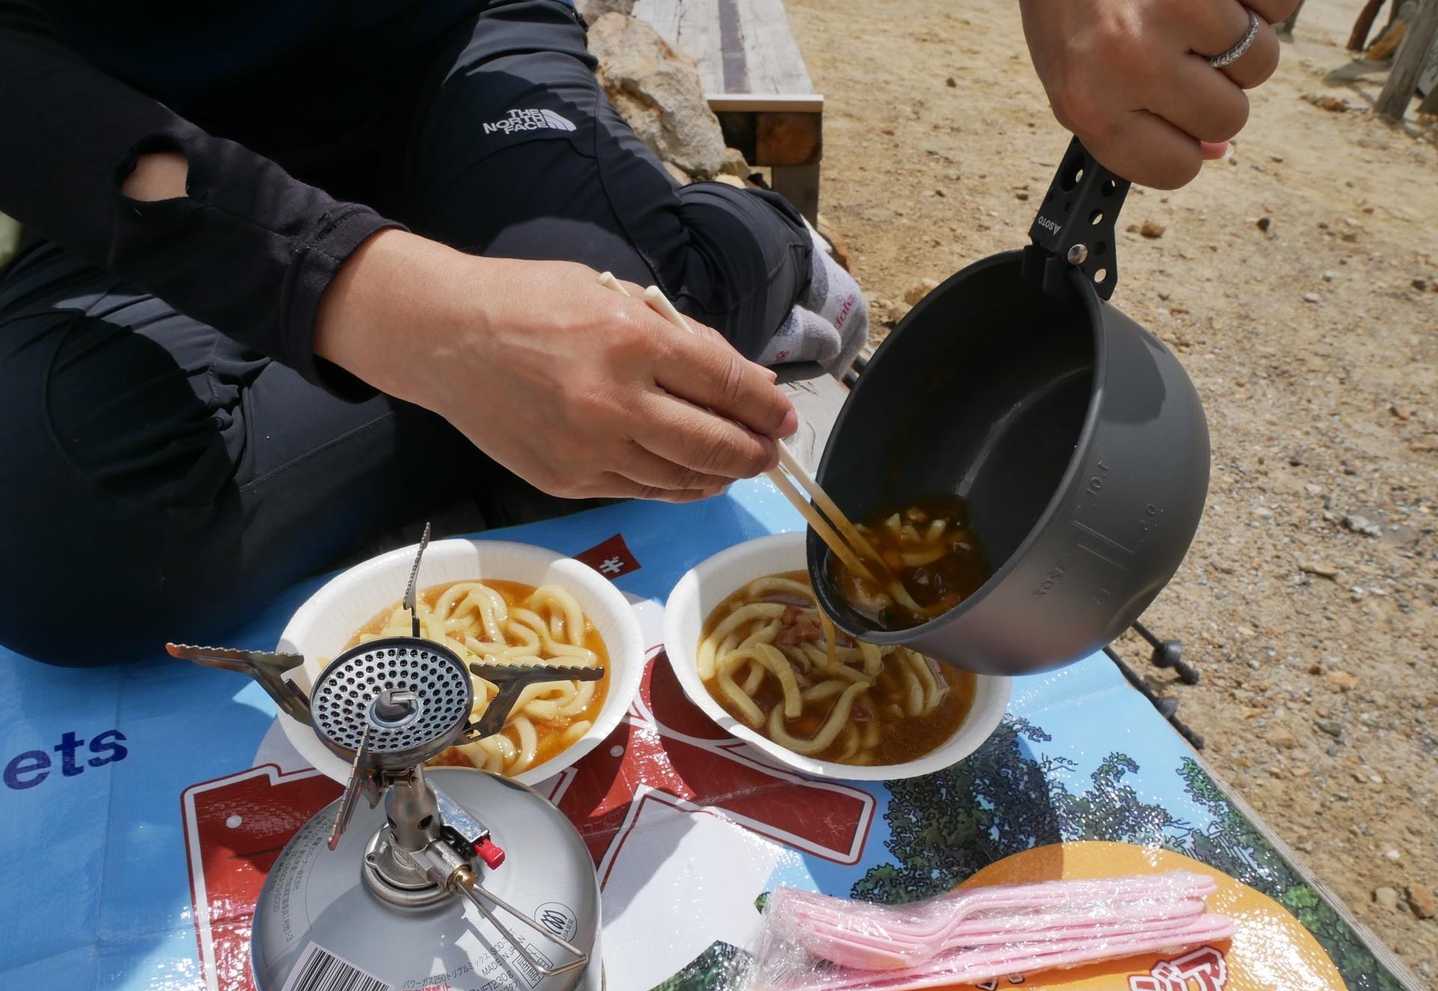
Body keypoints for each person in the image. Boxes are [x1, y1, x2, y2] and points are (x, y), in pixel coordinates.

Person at [0, 0, 1295, 665]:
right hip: (149, 154)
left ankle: (758, 245)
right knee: (52, 526)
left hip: (448, 60)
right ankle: (550, 332)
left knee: (625, 338)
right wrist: (391, 310)